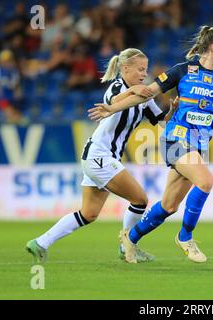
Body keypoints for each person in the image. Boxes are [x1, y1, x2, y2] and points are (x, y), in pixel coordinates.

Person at [88, 26, 213, 263]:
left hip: (197, 144)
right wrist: (113, 107)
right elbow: (147, 94)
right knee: (205, 181)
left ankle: (130, 239)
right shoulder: (182, 70)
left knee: (169, 206)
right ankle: (185, 237)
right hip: (175, 138)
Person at [26, 48, 177, 263]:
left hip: (101, 157)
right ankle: (127, 247)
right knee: (140, 200)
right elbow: (113, 101)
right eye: (140, 69)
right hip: (100, 155)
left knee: (89, 213)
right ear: (125, 68)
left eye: (146, 70)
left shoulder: (144, 96)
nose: (144, 74)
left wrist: (174, 110)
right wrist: (134, 91)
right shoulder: (117, 87)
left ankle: (40, 243)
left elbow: (163, 123)